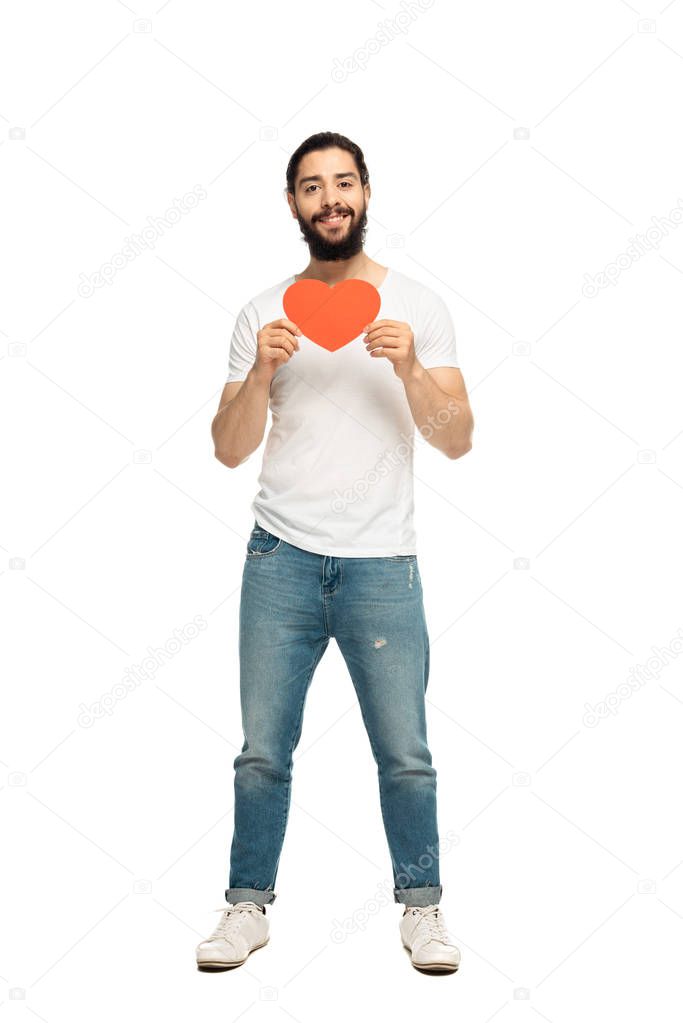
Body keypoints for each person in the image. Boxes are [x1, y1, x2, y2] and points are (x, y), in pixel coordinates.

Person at [196, 132, 474, 975]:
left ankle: (421, 910)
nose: (329, 199)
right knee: (260, 751)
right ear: (293, 205)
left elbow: (455, 439)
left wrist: (413, 368)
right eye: (311, 187)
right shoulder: (260, 312)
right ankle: (247, 906)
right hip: (277, 558)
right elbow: (227, 449)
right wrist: (256, 377)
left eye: (342, 182)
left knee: (405, 752)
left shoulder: (417, 306)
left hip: (382, 564)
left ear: (364, 192)